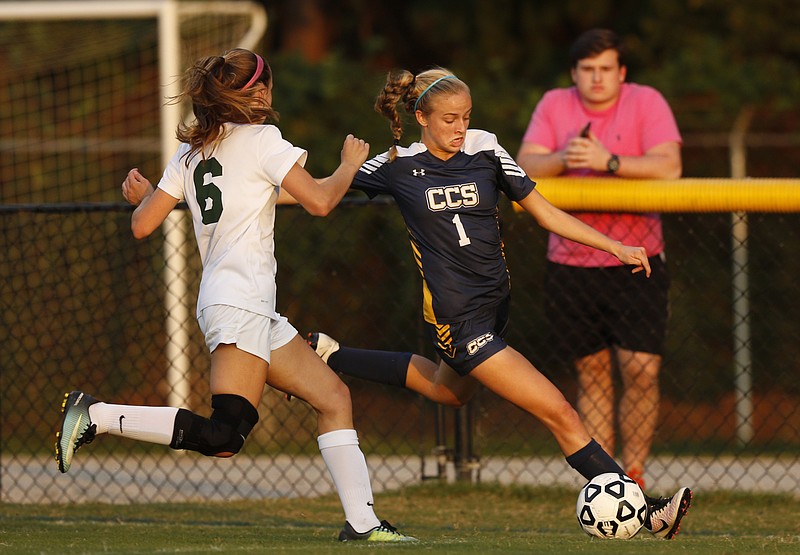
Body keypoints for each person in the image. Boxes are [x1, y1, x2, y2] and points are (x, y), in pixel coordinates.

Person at [306, 66, 691, 539]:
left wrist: (614, 245)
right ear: (421, 116)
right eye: (448, 119)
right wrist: (267, 185)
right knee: (560, 412)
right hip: (459, 319)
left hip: (494, 310)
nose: (459, 128)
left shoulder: (485, 148)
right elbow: (316, 193)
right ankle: (646, 511)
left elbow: (545, 212)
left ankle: (328, 353)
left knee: (449, 392)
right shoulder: (396, 165)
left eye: (465, 116)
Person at [54, 48, 415, 543]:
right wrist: (352, 163)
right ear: (235, 96)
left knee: (333, 396)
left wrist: (152, 196)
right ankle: (96, 416)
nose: (265, 95)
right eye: (257, 87)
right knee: (225, 435)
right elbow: (323, 202)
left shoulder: (192, 153)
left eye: (265, 85)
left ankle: (363, 523)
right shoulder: (263, 139)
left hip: (246, 305)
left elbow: (142, 225)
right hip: (240, 302)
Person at [515, 28, 682, 491]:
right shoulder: (554, 104)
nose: (596, 78)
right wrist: (564, 158)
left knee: (642, 370)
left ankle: (637, 472)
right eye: (587, 70)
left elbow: (669, 166)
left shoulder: (646, 101)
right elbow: (523, 164)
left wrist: (610, 161)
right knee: (591, 373)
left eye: (606, 69)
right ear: (574, 74)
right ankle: (608, 483)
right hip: (571, 262)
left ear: (621, 72)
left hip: (637, 259)